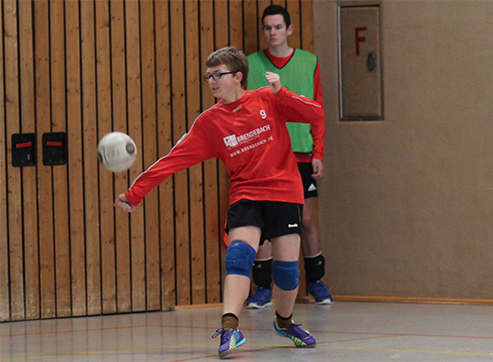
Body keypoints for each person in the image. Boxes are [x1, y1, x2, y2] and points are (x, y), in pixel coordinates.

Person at [114, 47, 323, 358]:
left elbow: (315, 114)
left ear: (237, 77)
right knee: (239, 256)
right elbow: (172, 160)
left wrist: (284, 93)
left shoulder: (268, 98)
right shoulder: (209, 122)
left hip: (283, 191)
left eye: (218, 75)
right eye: (208, 76)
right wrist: (135, 193)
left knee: (288, 274)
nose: (211, 81)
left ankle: (284, 322)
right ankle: (230, 328)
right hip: (246, 194)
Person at [245, 4, 333, 308]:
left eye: (278, 27)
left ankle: (316, 283)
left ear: (289, 29)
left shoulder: (309, 62)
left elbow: (318, 110)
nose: (272, 33)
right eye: (267, 28)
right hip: (264, 157)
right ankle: (263, 288)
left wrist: (318, 151)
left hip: (302, 154)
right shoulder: (250, 64)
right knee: (266, 222)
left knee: (306, 219)